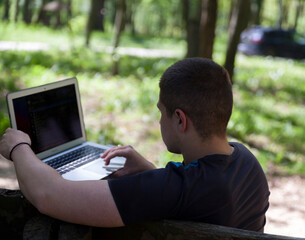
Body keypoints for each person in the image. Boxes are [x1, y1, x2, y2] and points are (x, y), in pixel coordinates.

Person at [0, 58, 269, 233]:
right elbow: (187, 196)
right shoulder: (248, 163)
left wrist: (18, 146)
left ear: (179, 119)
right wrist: (149, 171)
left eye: (161, 112)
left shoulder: (175, 188)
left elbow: (49, 196)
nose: (159, 120)